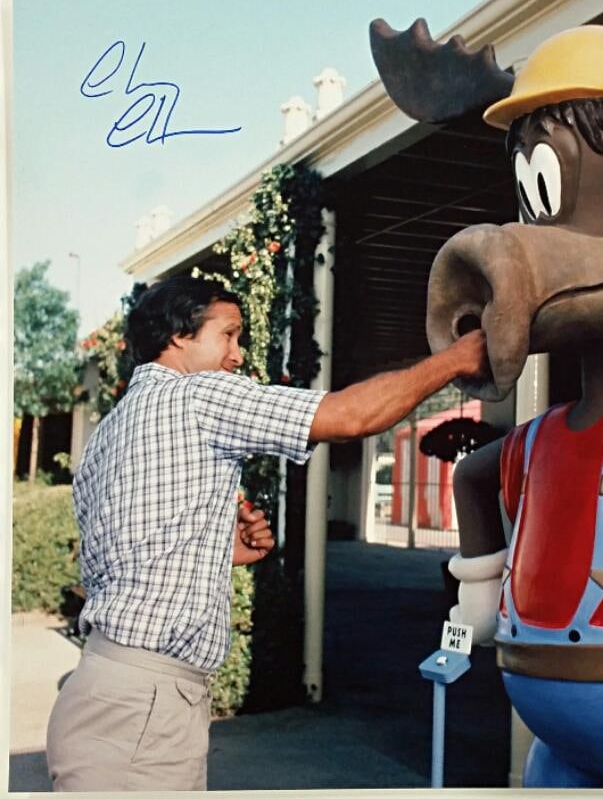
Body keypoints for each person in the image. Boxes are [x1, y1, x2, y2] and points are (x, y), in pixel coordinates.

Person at [45, 275, 487, 791]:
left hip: (99, 685)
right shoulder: (198, 397)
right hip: (146, 707)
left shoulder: (109, 432)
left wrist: (212, 547)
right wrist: (455, 360)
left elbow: (118, 555)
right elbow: (351, 415)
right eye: (228, 335)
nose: (238, 355)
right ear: (179, 335)